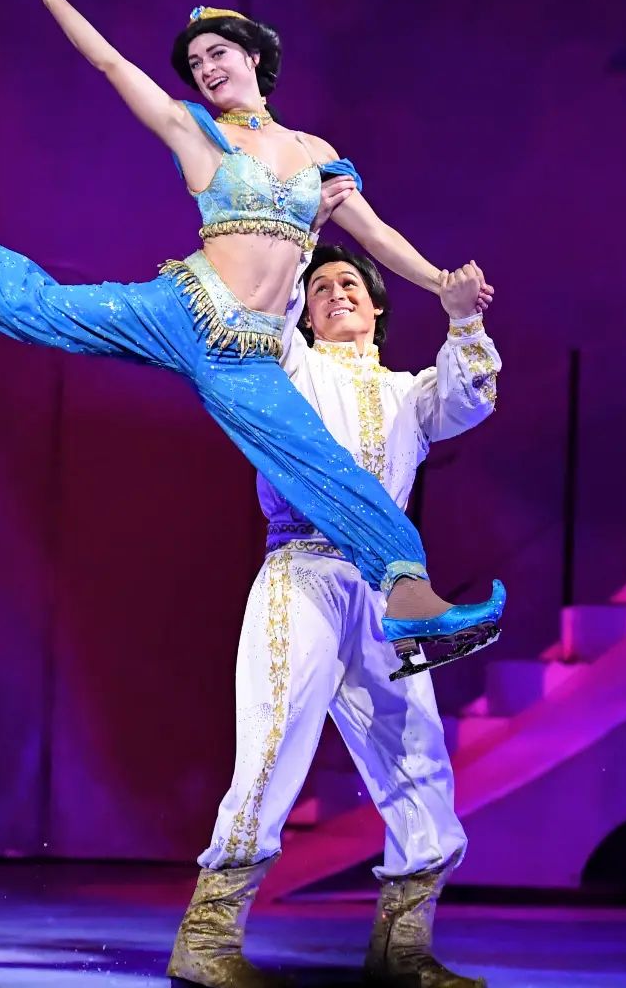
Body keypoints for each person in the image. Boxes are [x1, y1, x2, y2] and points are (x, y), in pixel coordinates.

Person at [0, 0, 505, 664]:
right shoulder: (197, 133)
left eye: (218, 53)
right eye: (195, 62)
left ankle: (410, 601)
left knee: (325, 464)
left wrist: (445, 285)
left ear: (253, 57)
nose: (207, 68)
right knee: (46, 310)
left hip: (246, 358)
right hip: (184, 309)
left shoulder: (317, 156)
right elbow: (109, 62)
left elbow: (375, 234)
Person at [168, 243, 498, 988]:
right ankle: (208, 939)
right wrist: (295, 239)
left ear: (378, 308)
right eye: (321, 288)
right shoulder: (293, 370)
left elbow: (471, 397)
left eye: (350, 283)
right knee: (274, 741)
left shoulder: (411, 393)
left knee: (417, 753)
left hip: (386, 589)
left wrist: (461, 321)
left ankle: (401, 952)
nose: (335, 293)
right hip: (304, 570)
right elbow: (268, 315)